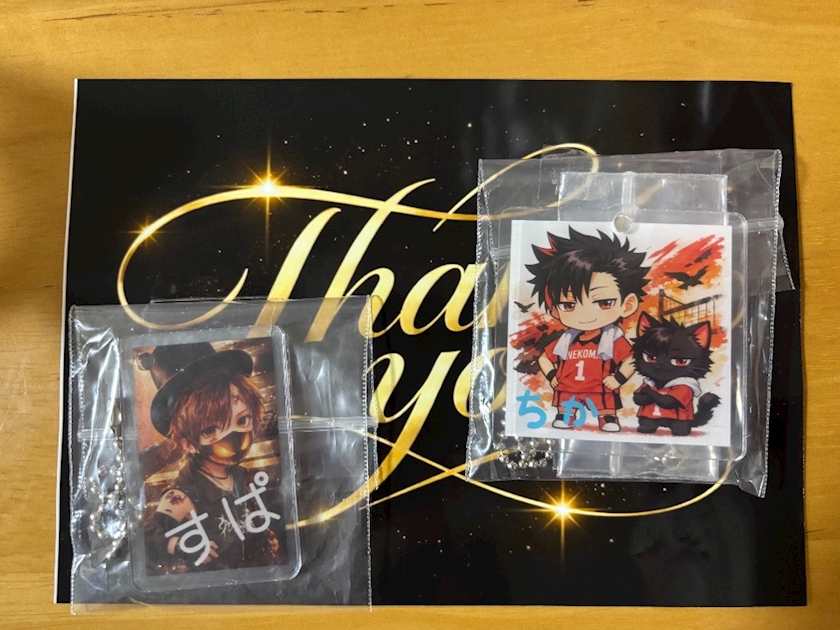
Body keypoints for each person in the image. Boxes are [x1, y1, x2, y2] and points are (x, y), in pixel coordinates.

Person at [140, 343, 285, 574]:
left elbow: (249, 518)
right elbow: (146, 539)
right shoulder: (183, 494)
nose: (233, 439)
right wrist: (182, 546)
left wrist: (265, 539)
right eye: (210, 430)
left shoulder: (240, 476)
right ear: (188, 443)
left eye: (242, 420)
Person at [526, 228, 649, 432]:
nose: (585, 315)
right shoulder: (566, 340)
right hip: (568, 388)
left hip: (601, 388)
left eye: (603, 302)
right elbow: (544, 358)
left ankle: (607, 418)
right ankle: (566, 416)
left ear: (627, 305)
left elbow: (630, 359)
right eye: (569, 305)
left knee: (605, 405)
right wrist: (552, 375)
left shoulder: (613, 338)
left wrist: (618, 378)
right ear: (555, 310)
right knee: (565, 405)